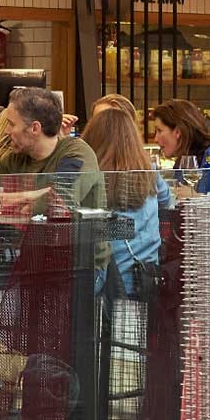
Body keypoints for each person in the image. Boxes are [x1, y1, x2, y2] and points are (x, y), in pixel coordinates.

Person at [81, 101, 171, 298]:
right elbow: (167, 200)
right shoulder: (147, 172)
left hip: (106, 286)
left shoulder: (92, 176)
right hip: (145, 279)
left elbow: (94, 233)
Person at [0, 87, 106, 213]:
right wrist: (33, 195)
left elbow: (59, 200)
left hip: (78, 232)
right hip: (22, 232)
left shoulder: (76, 152)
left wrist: (18, 202)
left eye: (12, 124)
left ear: (34, 128)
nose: (6, 131)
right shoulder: (15, 158)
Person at [151, 98, 210, 195]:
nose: (155, 139)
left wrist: (195, 197)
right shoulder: (182, 162)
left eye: (159, 130)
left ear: (178, 132)